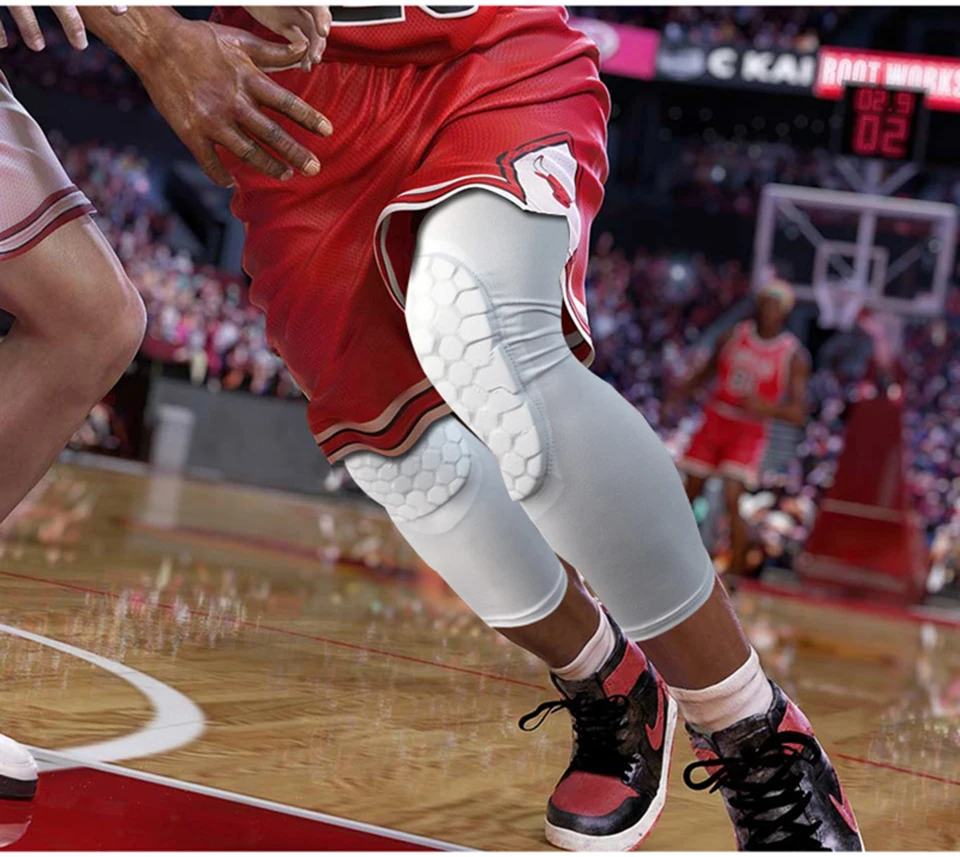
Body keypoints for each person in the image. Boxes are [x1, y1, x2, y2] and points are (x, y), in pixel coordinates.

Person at [84, 8, 860, 850]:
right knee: (409, 465)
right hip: (289, 101)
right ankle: (609, 682)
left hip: (477, 48)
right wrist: (149, 32)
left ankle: (754, 734)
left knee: (482, 333)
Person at [674, 279, 810, 578]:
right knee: (688, 492)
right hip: (716, 416)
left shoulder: (792, 354)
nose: (769, 311)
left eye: (775, 306)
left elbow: (799, 412)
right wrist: (680, 392)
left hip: (749, 427)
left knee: (732, 496)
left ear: (784, 312)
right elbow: (706, 371)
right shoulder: (733, 336)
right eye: (765, 304)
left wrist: (766, 407)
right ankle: (669, 557)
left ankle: (734, 575)